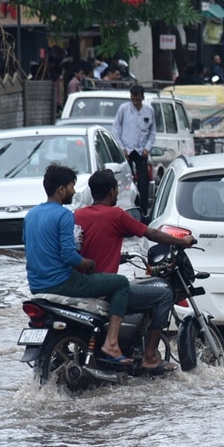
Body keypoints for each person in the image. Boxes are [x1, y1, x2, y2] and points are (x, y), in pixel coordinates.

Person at [75, 169, 196, 372]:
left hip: (84, 287)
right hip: (107, 290)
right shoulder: (116, 215)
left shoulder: (77, 215)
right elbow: (151, 233)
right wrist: (181, 241)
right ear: (112, 191)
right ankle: (149, 355)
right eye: (116, 190)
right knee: (164, 294)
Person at [23, 164, 131, 363]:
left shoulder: (31, 215)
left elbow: (31, 250)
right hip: (62, 283)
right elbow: (69, 257)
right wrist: (89, 264)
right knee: (121, 283)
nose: (74, 191)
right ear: (61, 190)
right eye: (72, 186)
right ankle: (112, 344)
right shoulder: (64, 215)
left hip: (37, 285)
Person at [112, 84, 156, 213]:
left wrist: (147, 147)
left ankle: (142, 211)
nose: (136, 102)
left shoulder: (149, 110)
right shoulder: (124, 109)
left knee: (144, 183)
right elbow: (115, 128)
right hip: (127, 150)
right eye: (133, 100)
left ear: (142, 98)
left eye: (138, 100)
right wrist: (122, 148)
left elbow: (152, 131)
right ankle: (127, 208)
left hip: (141, 151)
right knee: (126, 181)